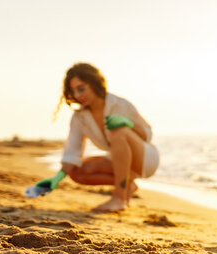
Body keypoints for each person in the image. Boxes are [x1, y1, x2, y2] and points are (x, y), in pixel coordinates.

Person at [36, 62, 159, 212]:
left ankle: (119, 198)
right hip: (119, 161)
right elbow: (72, 152)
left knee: (117, 130)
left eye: (81, 89)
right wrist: (57, 178)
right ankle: (128, 185)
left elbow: (147, 134)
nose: (77, 96)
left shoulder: (119, 104)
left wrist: (129, 124)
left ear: (94, 83)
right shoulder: (79, 117)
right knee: (76, 171)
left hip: (145, 158)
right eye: (73, 91)